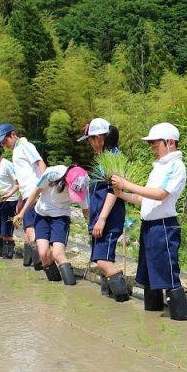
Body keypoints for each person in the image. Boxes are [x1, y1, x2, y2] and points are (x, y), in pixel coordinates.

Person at [111, 122, 187, 321]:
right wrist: (122, 194)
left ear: (170, 142)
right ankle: (152, 320)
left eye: (155, 143)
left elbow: (160, 195)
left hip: (163, 226)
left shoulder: (175, 165)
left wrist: (127, 184)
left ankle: (180, 318)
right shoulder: (159, 167)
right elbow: (144, 198)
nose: (152, 147)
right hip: (149, 226)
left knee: (168, 275)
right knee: (148, 276)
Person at [79, 118, 130, 301]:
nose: (89, 144)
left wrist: (101, 218)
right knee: (101, 258)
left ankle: (124, 299)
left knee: (102, 260)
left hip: (109, 217)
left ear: (99, 138)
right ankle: (110, 299)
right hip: (100, 216)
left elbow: (113, 191)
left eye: (90, 140)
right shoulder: (104, 156)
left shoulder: (113, 157)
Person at [16, 164, 90, 285]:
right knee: (43, 253)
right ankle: (54, 283)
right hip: (42, 215)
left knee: (58, 254)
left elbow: (85, 210)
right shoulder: (52, 174)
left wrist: (91, 227)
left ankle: (70, 288)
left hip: (61, 217)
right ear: (66, 180)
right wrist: (22, 213)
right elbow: (35, 191)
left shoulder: (82, 183)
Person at [0, 123, 47, 267]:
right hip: (26, 195)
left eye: (5, 140)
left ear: (13, 134)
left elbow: (41, 164)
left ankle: (45, 265)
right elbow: (22, 179)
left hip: (35, 193)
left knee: (31, 230)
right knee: (29, 231)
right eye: (1, 143)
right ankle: (39, 267)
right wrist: (19, 201)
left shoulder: (25, 145)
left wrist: (43, 187)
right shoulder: (15, 150)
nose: (4, 145)